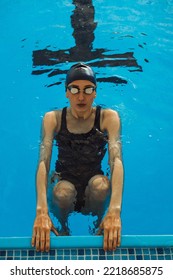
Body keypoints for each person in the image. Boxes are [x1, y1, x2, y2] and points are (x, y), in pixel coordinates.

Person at [32, 62, 124, 252]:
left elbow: (116, 160)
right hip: (64, 183)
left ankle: (101, 224)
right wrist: (41, 211)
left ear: (95, 92)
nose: (81, 96)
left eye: (87, 89)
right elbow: (44, 161)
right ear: (66, 92)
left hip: (93, 184)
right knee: (62, 191)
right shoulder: (53, 119)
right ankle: (63, 229)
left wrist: (114, 211)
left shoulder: (109, 117)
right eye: (74, 89)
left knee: (102, 185)